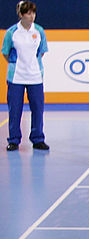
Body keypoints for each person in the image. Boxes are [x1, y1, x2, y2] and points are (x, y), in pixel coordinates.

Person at [3, 1, 47, 151]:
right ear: (21, 15)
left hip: (35, 77)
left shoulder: (39, 31)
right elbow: (5, 52)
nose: (32, 16)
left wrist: (32, 65)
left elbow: (41, 51)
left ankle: (37, 139)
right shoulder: (11, 32)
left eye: (33, 13)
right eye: (28, 13)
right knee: (15, 110)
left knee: (37, 109)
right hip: (16, 78)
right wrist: (17, 65)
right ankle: (14, 140)